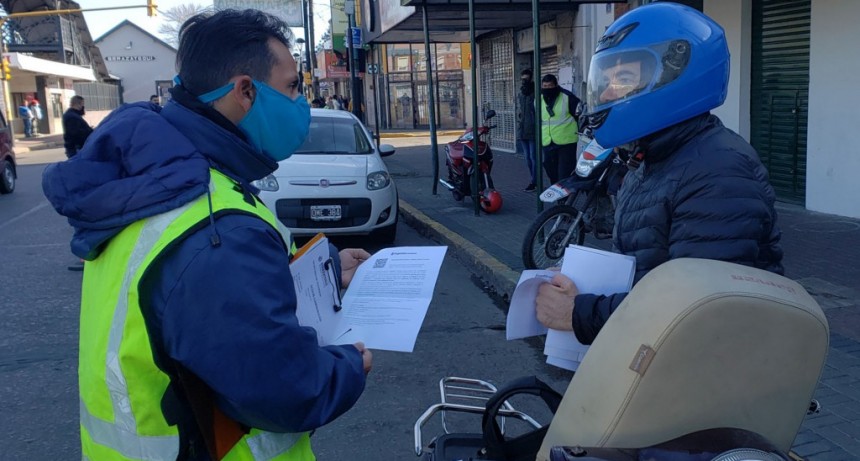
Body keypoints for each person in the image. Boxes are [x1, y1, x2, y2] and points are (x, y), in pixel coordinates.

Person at [42, 9, 372, 460]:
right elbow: (286, 389)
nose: (301, 103)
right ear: (244, 91)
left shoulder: (164, 178)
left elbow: (203, 298)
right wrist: (350, 366)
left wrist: (330, 270)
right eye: (293, 87)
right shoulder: (216, 223)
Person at [535, 3, 784, 346]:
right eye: (605, 80)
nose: (607, 94)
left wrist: (578, 314)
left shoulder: (718, 171)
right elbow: (650, 272)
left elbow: (697, 309)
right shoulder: (652, 159)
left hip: (706, 380)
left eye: (623, 79)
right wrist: (584, 290)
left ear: (674, 73)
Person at [539, 74, 580, 185]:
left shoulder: (567, 97)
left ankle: (564, 200)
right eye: (545, 86)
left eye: (550, 86)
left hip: (566, 142)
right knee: (551, 171)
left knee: (564, 173)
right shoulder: (538, 99)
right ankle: (557, 193)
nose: (547, 89)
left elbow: (580, 116)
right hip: (547, 142)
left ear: (556, 85)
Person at [517, 69, 538, 192]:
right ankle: (533, 179)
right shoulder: (521, 93)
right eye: (522, 78)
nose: (524, 81)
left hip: (533, 129)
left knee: (533, 157)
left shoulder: (535, 92)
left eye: (526, 78)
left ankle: (535, 181)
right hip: (523, 129)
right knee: (528, 158)